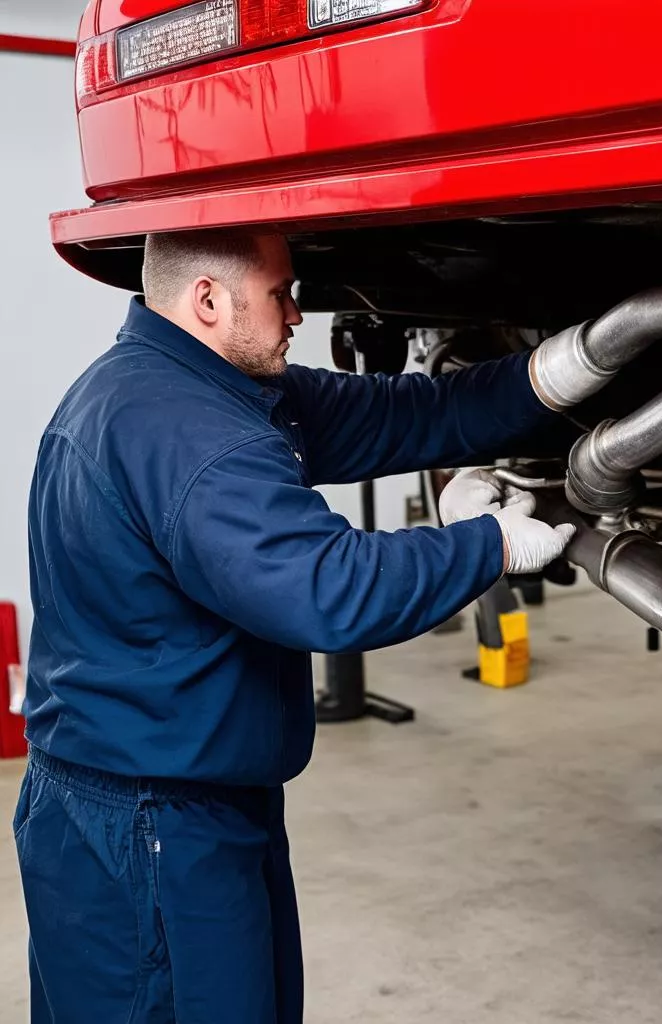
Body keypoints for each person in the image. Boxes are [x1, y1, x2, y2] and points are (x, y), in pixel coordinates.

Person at [14, 229, 576, 1024]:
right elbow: (327, 589)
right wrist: (488, 545)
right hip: (151, 827)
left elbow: (404, 415)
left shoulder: (180, 387)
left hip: (165, 799)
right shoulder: (191, 437)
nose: (299, 314)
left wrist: (559, 371)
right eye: (281, 293)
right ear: (207, 300)